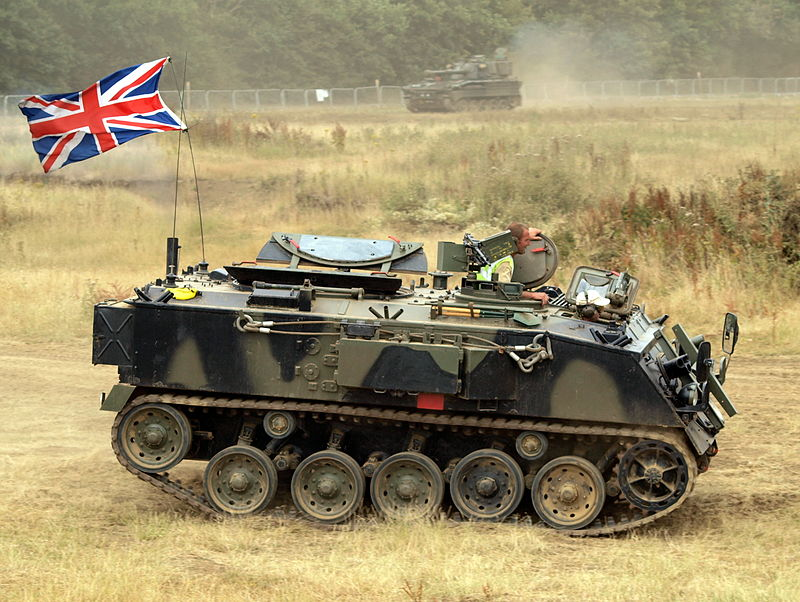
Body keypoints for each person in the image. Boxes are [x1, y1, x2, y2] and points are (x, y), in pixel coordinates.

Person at [477, 222, 549, 305]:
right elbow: (504, 291)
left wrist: (527, 233)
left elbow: (513, 233)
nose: (529, 244)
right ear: (515, 242)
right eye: (526, 240)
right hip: (487, 301)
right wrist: (532, 295)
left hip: (480, 292)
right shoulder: (505, 262)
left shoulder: (495, 251)